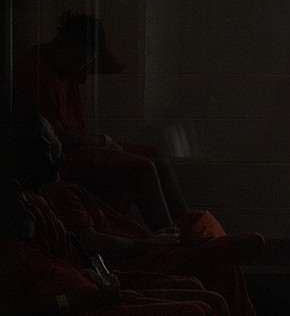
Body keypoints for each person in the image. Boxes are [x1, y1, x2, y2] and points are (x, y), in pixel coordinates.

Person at [10, 112, 263, 316]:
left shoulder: (55, 193)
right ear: (43, 147)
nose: (60, 138)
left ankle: (209, 244)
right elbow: (88, 246)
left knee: (197, 220)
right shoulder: (51, 200)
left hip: (133, 249)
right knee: (215, 268)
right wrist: (150, 243)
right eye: (54, 133)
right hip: (131, 259)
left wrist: (154, 237)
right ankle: (212, 248)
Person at [12, 12, 188, 231]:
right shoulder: (35, 71)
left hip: (80, 147)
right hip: (61, 156)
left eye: (85, 62)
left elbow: (117, 65)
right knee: (144, 168)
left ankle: (188, 226)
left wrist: (96, 38)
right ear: (61, 41)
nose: (79, 68)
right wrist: (103, 141)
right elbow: (54, 135)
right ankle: (171, 241)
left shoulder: (67, 60)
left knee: (156, 155)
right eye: (77, 60)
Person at [0, 178, 231, 316]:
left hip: (101, 288)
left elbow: (70, 265)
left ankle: (213, 243)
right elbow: (18, 306)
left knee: (213, 296)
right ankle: (213, 246)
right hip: (94, 304)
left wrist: (90, 276)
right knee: (199, 306)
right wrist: (88, 296)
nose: (29, 212)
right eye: (21, 207)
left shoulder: (34, 247)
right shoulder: (12, 256)